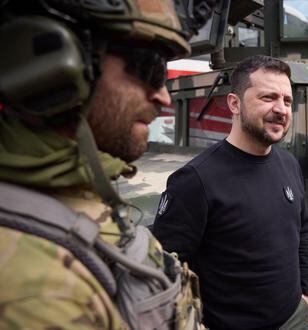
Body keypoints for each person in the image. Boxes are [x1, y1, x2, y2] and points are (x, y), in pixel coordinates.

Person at [0, 0, 217, 328]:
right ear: (53, 65)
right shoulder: (35, 293)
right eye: (151, 69)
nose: (164, 97)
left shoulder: (77, 189)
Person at [153, 55, 308, 330]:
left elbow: (302, 230)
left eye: (287, 100)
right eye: (268, 97)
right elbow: (163, 270)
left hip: (293, 318)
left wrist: (304, 292)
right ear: (234, 104)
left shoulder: (288, 164)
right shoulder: (195, 180)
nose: (282, 109)